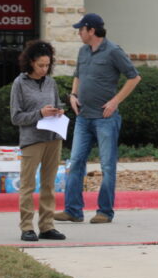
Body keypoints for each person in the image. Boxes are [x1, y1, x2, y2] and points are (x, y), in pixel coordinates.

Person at [56, 13, 141, 225]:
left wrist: (115, 102)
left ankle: (105, 211)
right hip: (83, 118)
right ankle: (73, 210)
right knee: (75, 162)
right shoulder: (83, 51)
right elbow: (78, 75)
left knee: (107, 166)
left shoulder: (113, 51)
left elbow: (134, 77)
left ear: (91, 30)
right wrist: (73, 95)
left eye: (81, 29)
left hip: (105, 119)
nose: (79, 33)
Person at [10, 40, 67, 242]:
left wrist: (59, 111)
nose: (44, 69)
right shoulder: (19, 83)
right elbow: (16, 117)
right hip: (32, 140)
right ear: (31, 62)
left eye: (47, 65)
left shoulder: (50, 82)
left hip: (53, 138)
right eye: (40, 65)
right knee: (27, 185)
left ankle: (47, 226)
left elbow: (57, 103)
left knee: (49, 185)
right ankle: (27, 227)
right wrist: (40, 114)